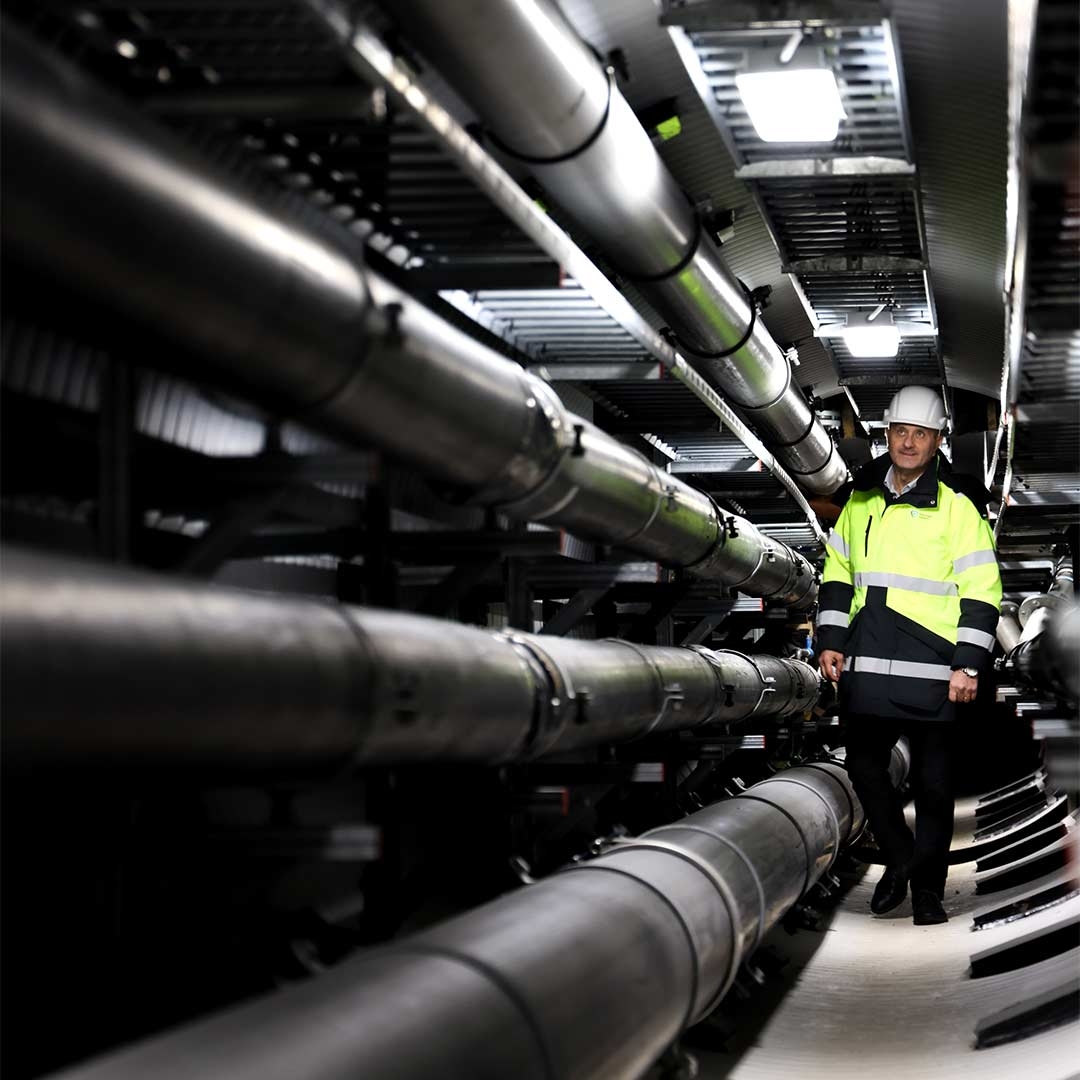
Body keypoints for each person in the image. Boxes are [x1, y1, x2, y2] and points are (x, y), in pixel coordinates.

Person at [816, 386, 1002, 925]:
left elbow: (982, 588)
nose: (908, 442)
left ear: (937, 441)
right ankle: (900, 859)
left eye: (920, 434)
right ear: (888, 434)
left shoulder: (957, 507)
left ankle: (928, 893)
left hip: (934, 670)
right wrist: (830, 640)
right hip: (868, 664)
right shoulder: (861, 501)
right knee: (864, 767)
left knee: (934, 787)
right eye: (901, 431)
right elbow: (836, 574)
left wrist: (969, 664)